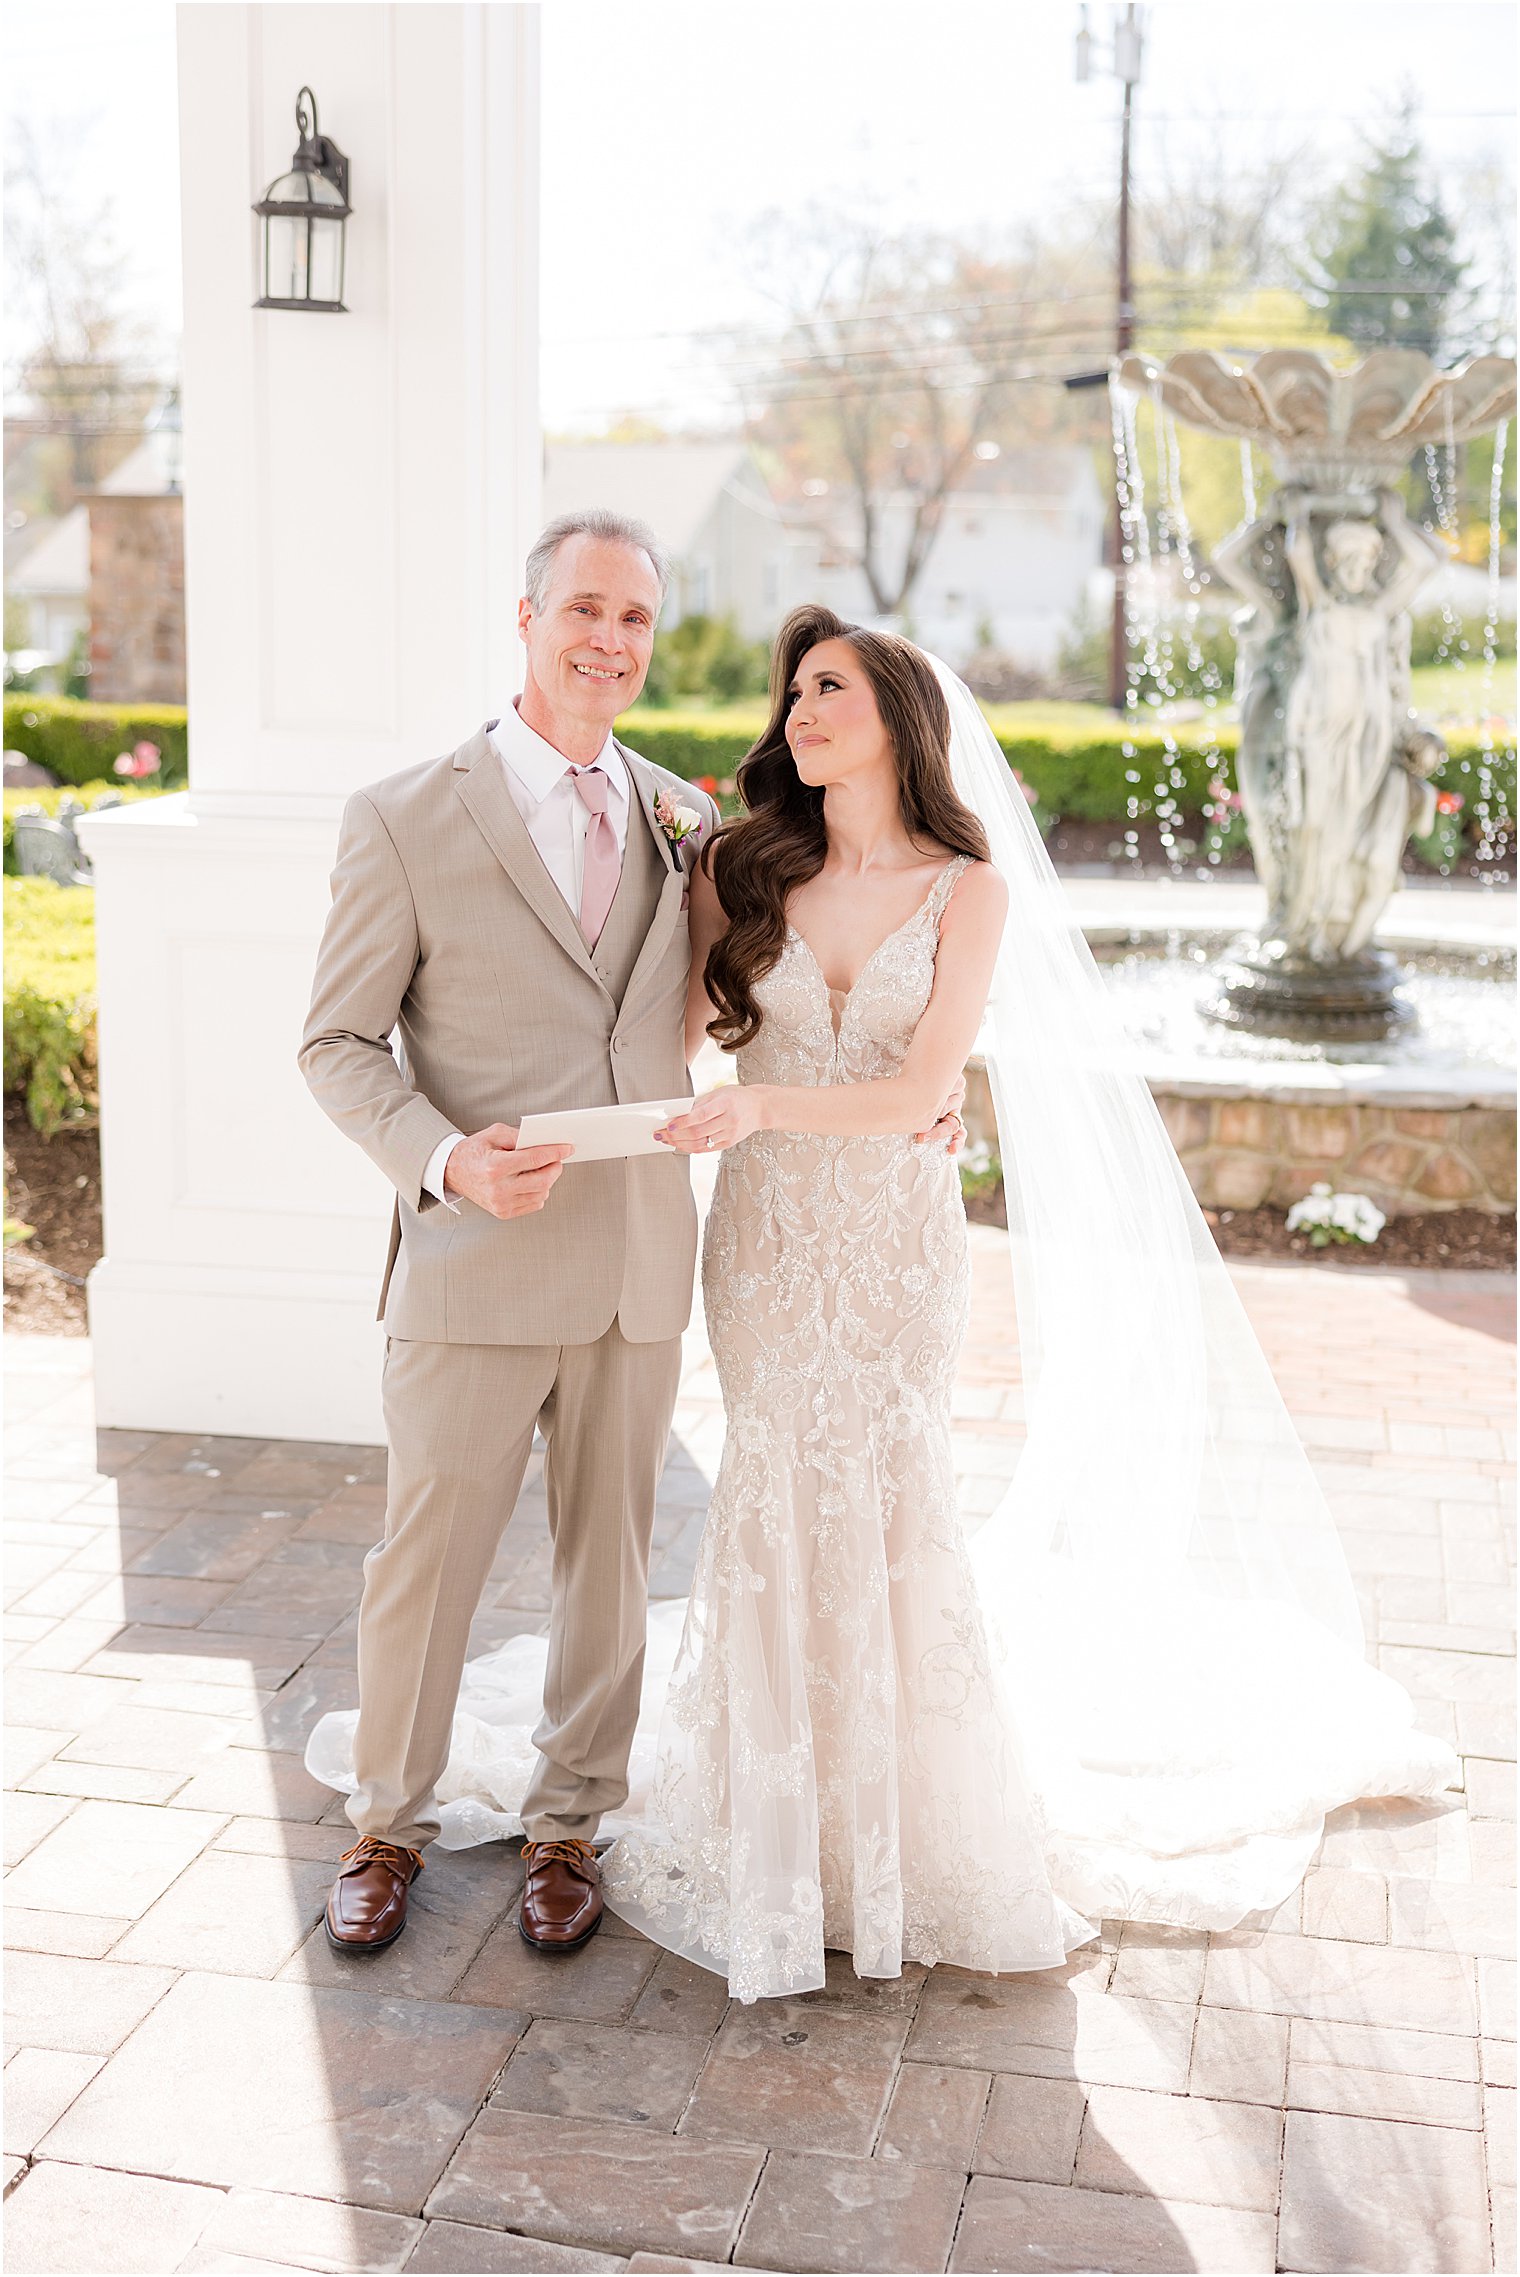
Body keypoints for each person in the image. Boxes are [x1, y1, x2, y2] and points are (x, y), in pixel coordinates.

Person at [307, 601, 1456, 2000]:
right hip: (757, 1235)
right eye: (792, 692)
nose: (798, 711)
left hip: (888, 1239)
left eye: (827, 687)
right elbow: (658, 1043)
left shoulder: (899, 872)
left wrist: (851, 1106)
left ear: (904, 716)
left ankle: (830, 1824)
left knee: (870, 1504)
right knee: (754, 1494)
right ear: (532, 621)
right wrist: (499, 1144)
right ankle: (552, 1821)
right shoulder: (728, 861)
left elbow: (907, 1079)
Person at [298, 510, 720, 1957]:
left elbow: (744, 1005)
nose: (612, 641)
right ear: (528, 616)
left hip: (634, 1267)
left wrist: (896, 1096)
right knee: (429, 1560)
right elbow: (338, 1044)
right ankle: (386, 1823)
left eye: (637, 621)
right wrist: (446, 1161)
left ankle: (567, 1823)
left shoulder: (687, 817)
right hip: (472, 1266)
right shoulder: (406, 815)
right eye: (586, 611)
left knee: (611, 1561)